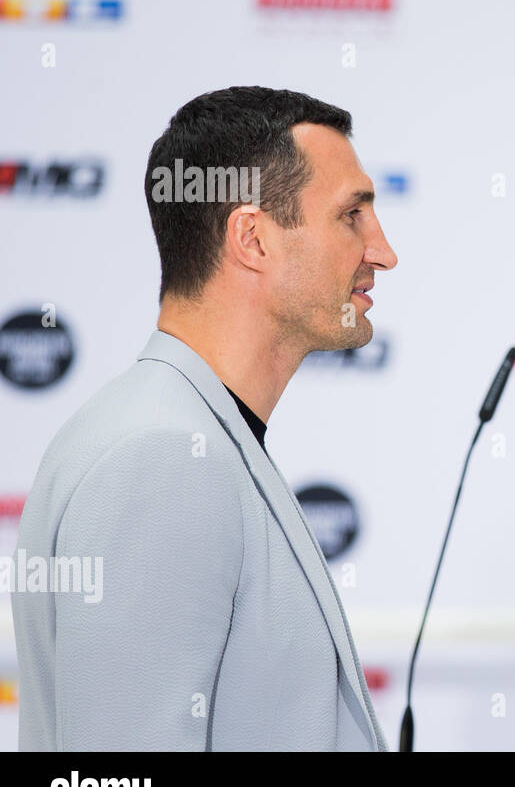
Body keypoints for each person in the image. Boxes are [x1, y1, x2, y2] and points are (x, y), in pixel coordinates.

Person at [12, 86, 398, 750]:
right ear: (252, 238)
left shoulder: (191, 437)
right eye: (352, 216)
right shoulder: (161, 457)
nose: (383, 251)